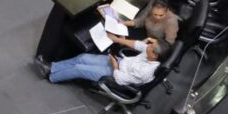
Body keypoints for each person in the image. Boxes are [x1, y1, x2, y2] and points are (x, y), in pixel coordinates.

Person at [35, 34, 163, 86]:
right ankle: (52, 67)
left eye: (150, 47)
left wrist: (115, 66)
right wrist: (117, 39)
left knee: (79, 68)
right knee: (83, 58)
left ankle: (51, 76)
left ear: (155, 56)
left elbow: (121, 80)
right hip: (119, 62)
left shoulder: (145, 71)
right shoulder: (150, 53)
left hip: (115, 75)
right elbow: (138, 45)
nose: (147, 46)